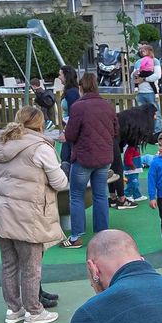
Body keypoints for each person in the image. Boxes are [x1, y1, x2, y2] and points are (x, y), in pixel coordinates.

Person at [0, 106, 68, 323]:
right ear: (39, 124)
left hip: (1, 212)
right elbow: (60, 182)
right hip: (27, 214)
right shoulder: (40, 148)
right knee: (31, 265)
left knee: (9, 263)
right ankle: (34, 311)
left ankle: (14, 309)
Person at [60, 73, 118, 248]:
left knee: (76, 196)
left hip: (84, 157)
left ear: (81, 87)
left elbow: (71, 134)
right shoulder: (107, 106)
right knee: (100, 195)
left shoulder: (78, 107)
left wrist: (66, 134)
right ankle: (102, 234)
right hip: (104, 157)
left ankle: (76, 236)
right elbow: (115, 130)